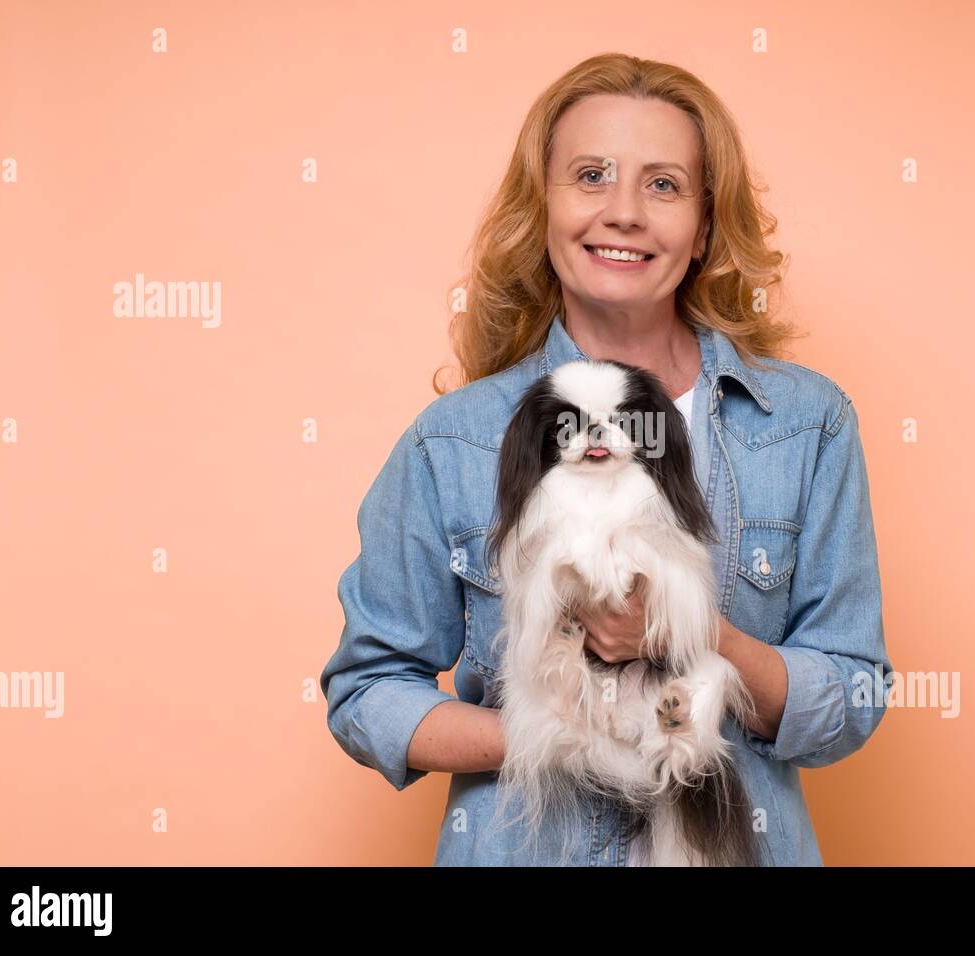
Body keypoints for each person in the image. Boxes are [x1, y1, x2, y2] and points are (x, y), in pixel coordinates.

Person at [320, 52, 892, 866]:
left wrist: (699, 634)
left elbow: (853, 699)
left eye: (663, 185)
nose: (622, 212)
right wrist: (555, 740)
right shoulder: (454, 440)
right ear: (541, 207)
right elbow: (365, 691)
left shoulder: (807, 425)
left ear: (703, 226)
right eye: (591, 175)